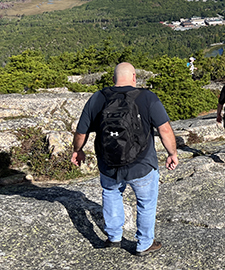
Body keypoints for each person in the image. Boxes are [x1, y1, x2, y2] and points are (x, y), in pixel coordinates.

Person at [71, 62, 179, 256]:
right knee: (145, 203)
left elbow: (81, 131)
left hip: (108, 164)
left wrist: (77, 150)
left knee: (111, 194)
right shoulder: (147, 97)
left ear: (113, 79)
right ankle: (144, 244)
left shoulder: (98, 98)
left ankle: (114, 237)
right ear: (134, 77)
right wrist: (172, 153)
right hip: (142, 164)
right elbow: (165, 129)